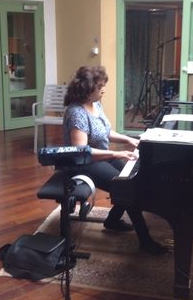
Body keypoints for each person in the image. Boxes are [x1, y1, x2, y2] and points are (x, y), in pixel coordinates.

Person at [63, 65, 167, 255]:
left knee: (133, 175)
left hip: (100, 156)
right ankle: (145, 240)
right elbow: (81, 151)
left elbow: (104, 132)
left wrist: (128, 139)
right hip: (82, 164)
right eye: (100, 86)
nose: (103, 89)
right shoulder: (76, 112)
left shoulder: (95, 104)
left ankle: (112, 220)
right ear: (88, 88)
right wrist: (118, 154)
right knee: (126, 186)